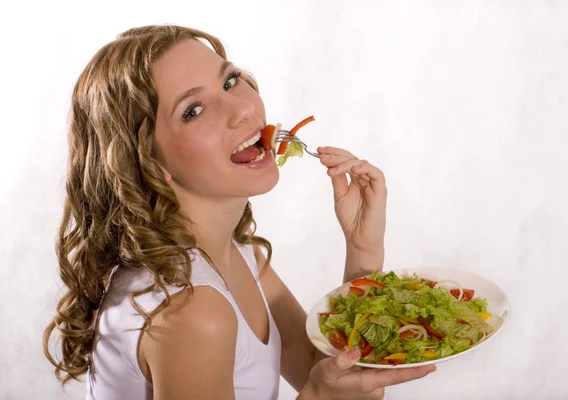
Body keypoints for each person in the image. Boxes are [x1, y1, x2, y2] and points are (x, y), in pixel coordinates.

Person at [43, 24, 436, 400]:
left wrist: (362, 249)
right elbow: (324, 388)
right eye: (193, 110)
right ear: (145, 162)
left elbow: (333, 371)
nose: (242, 109)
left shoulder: (242, 256)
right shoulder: (193, 312)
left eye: (230, 81)